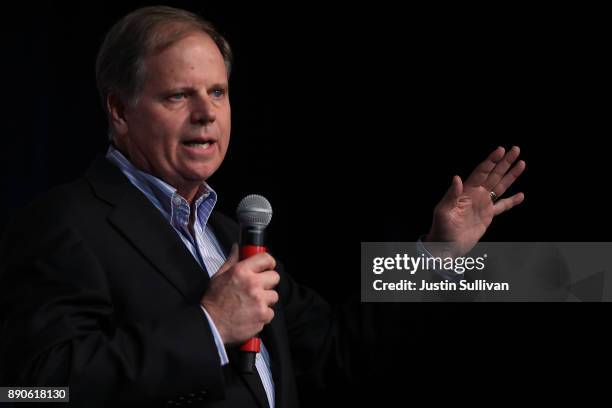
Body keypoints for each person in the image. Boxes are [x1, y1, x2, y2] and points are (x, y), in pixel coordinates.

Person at [0, 6, 526, 407]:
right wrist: (208, 326)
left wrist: (435, 256)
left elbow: (338, 347)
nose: (207, 114)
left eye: (218, 92)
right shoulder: (65, 222)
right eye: (178, 96)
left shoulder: (230, 234)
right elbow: (34, 391)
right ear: (119, 110)